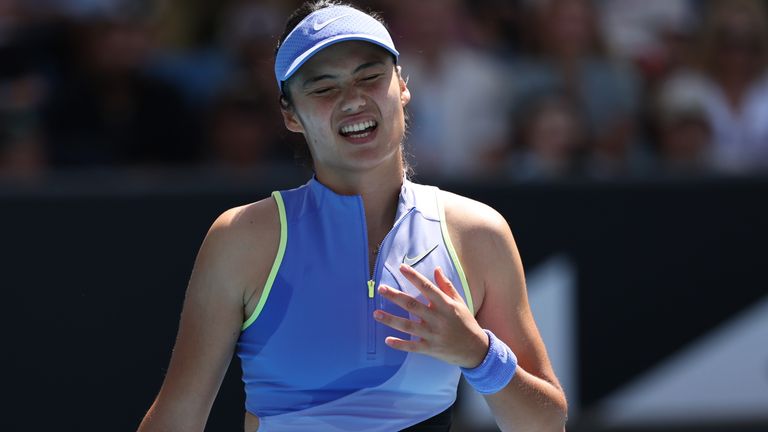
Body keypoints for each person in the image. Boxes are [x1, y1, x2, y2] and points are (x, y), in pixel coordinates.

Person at [137, 2, 567, 431]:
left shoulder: (478, 233)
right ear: (290, 114)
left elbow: (546, 423)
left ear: (402, 85)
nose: (353, 100)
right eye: (324, 88)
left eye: (370, 76)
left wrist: (478, 354)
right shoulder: (240, 238)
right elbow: (177, 418)